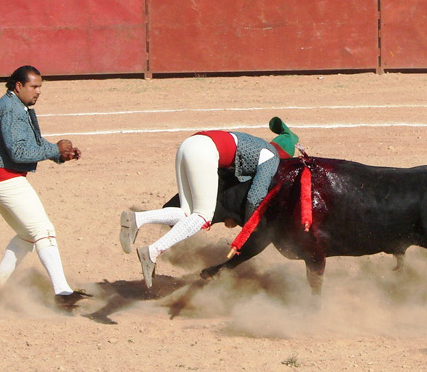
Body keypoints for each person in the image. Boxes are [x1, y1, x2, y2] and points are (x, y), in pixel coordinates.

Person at [120, 117, 299, 288]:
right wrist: (249, 225)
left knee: (186, 213)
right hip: (204, 151)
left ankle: (136, 218)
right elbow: (255, 195)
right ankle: (153, 251)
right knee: (203, 216)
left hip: (189, 144)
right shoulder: (272, 158)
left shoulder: (257, 147)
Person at [0, 65, 90, 307]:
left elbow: (32, 143)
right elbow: (19, 151)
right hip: (5, 179)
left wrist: (60, 155)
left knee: (27, 236)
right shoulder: (11, 109)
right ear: (18, 86)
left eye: (40, 86)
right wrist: (56, 148)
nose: (38, 91)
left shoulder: (17, 105)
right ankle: (62, 292)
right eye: (34, 86)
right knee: (43, 230)